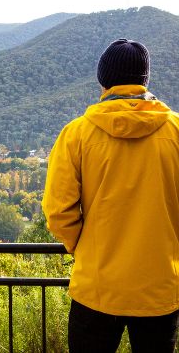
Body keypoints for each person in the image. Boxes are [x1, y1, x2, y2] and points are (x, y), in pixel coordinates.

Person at [42, 38, 179, 352]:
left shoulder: (76, 134)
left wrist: (86, 248)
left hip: (97, 287)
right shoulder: (176, 131)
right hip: (160, 288)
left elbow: (58, 211)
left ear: (102, 79)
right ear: (145, 79)